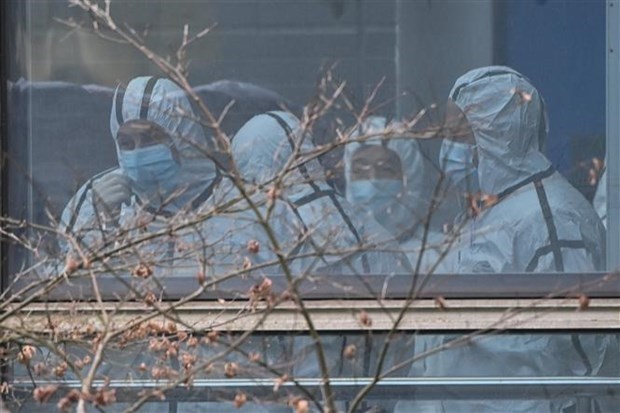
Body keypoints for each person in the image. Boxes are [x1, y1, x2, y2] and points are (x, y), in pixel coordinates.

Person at [395, 66, 616, 413]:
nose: (447, 147)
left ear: (498, 133)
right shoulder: (492, 209)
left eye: (458, 133)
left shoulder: (552, 218)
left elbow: (577, 348)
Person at [59, 76, 220, 255]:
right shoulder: (93, 199)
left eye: (149, 138)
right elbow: (65, 269)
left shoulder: (232, 201)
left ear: (183, 137)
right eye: (126, 143)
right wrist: (100, 226)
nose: (137, 154)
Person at [344, 116, 458, 274]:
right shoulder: (338, 257)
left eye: (385, 170)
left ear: (410, 177)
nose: (372, 180)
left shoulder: (441, 255)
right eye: (360, 171)